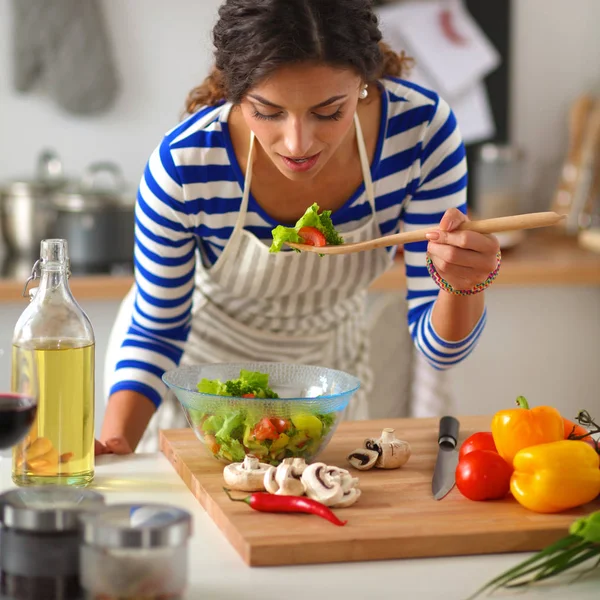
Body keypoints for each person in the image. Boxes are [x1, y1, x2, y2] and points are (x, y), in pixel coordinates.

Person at [97, 0, 500, 455]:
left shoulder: (422, 135)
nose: (298, 143)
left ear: (364, 84)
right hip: (200, 389)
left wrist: (461, 284)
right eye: (267, 112)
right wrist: (116, 445)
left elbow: (440, 352)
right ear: (235, 90)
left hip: (326, 389)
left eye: (329, 112)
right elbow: (158, 331)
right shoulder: (185, 167)